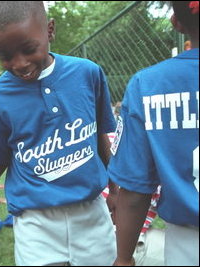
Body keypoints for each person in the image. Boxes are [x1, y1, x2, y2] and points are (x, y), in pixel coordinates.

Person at [0, 2, 117, 266]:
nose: (19, 63)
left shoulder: (87, 73)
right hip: (36, 222)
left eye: (28, 49)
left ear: (50, 30)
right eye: (5, 55)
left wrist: (115, 188)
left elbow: (100, 136)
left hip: (91, 211)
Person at [108, 1, 199, 266]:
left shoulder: (147, 84)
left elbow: (135, 192)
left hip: (187, 244)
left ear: (176, 22)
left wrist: (124, 257)